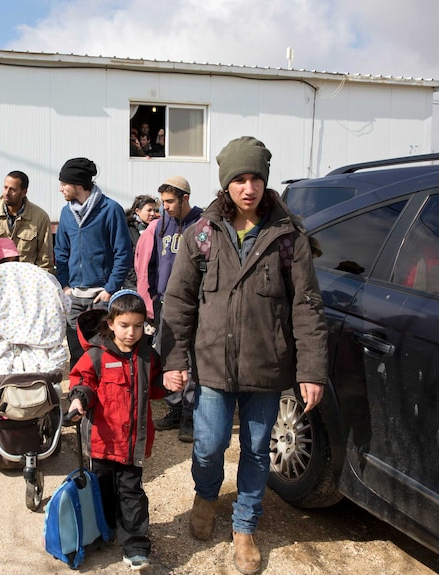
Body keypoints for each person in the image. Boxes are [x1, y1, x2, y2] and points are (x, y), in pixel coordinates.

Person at [160, 137, 328, 574]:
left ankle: (245, 524)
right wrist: (175, 360)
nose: (248, 187)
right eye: (239, 179)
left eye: (255, 178)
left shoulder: (288, 237)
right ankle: (207, 494)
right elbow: (178, 301)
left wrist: (311, 369)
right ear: (226, 184)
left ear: (265, 182)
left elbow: (307, 307)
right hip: (213, 364)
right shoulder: (201, 234)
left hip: (267, 367)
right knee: (209, 443)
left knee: (256, 449)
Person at [67, 290, 178, 572]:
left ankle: (136, 544)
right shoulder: (96, 355)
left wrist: (167, 384)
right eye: (125, 325)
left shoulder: (147, 357)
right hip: (102, 442)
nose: (131, 332)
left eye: (138, 326)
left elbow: (153, 388)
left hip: (132, 445)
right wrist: (79, 399)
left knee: (131, 492)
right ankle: (104, 529)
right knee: (102, 489)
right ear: (111, 323)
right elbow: (83, 381)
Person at [135, 176, 203, 442]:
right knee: (169, 356)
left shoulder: (202, 223)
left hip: (194, 303)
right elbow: (151, 263)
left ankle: (190, 415)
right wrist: (152, 295)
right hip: (165, 302)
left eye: (170, 202)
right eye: (162, 202)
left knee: (192, 360)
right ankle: (174, 409)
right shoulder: (161, 224)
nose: (165, 207)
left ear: (185, 198)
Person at [54, 157, 132, 367]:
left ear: (78, 184)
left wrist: (110, 288)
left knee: (104, 352)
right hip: (74, 296)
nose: (61, 189)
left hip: (101, 295)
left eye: (64, 184)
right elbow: (61, 252)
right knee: (77, 351)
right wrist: (65, 286)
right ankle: (80, 393)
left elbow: (123, 252)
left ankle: (103, 395)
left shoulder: (110, 209)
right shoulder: (66, 213)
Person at [0, 170, 54, 272]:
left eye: (12, 190)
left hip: (25, 281)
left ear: (23, 192)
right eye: (5, 187)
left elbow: (45, 259)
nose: (6, 193)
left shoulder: (40, 217)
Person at [122, 195, 159, 290]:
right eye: (149, 210)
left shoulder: (154, 229)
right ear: (137, 211)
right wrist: (136, 279)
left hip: (150, 281)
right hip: (133, 283)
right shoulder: (127, 230)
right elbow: (125, 258)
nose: (152, 214)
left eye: (154, 210)